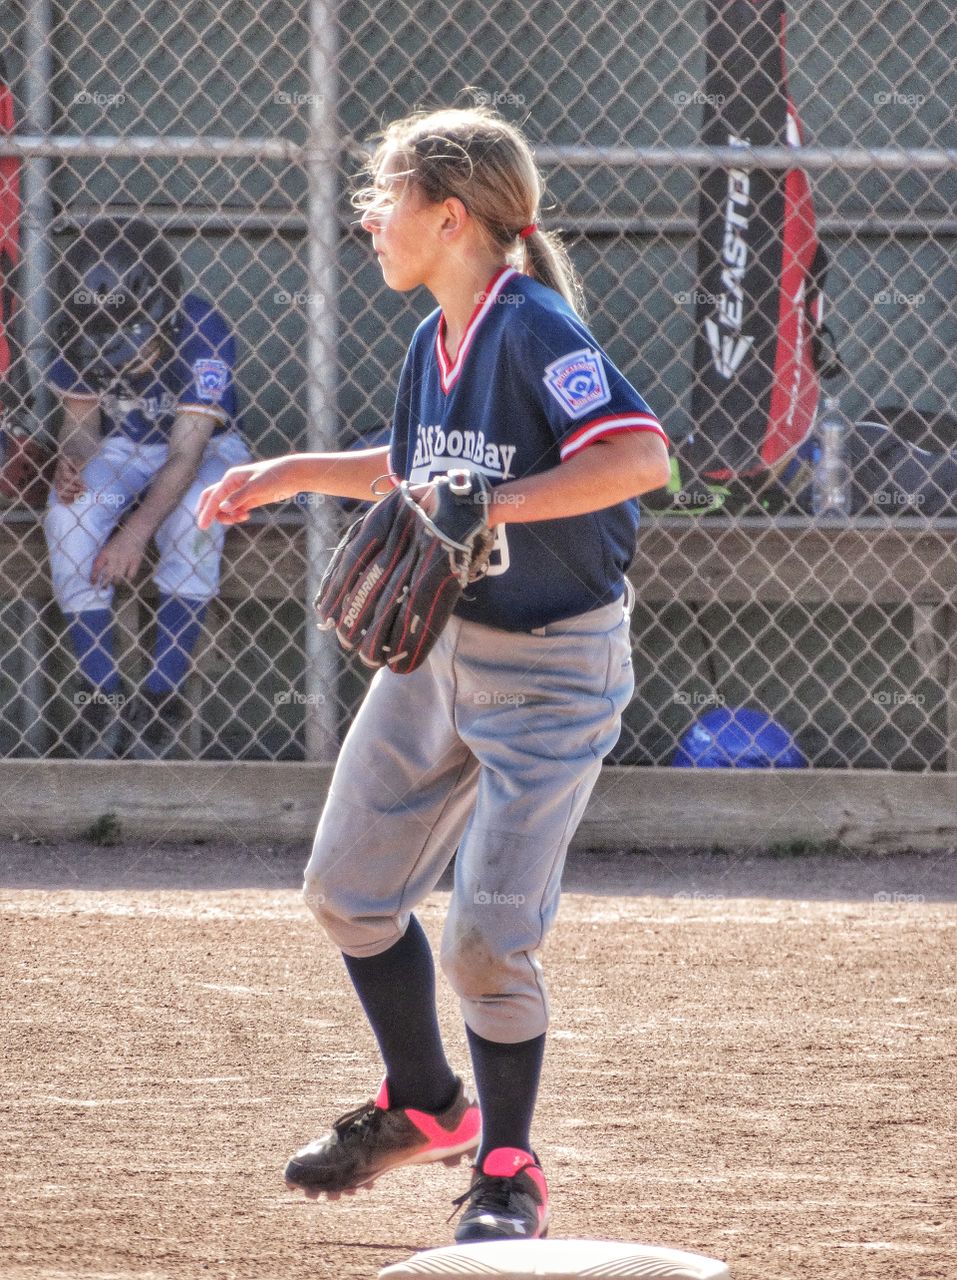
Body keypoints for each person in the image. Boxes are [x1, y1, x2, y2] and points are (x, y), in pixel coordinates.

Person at [197, 106, 671, 1243]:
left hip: (553, 669)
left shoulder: (535, 328)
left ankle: (509, 1167)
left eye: (388, 196)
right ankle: (424, 1101)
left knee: (485, 935)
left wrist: (490, 505)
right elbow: (421, 468)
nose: (370, 217)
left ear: (450, 216)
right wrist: (289, 471)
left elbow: (639, 453)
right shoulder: (435, 340)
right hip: (441, 653)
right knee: (349, 889)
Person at [45, 216, 252, 758]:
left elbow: (186, 454)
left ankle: (163, 695)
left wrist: (134, 533)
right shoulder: (76, 322)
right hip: (121, 446)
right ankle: (101, 695)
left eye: (133, 341)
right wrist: (73, 459)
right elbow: (82, 426)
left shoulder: (202, 326)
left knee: (194, 518)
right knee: (68, 515)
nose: (124, 357)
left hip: (203, 445)